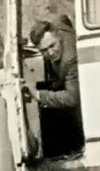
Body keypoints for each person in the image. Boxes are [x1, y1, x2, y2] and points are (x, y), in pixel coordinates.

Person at [27, 18, 83, 157]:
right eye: (44, 50)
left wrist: (39, 95)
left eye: (52, 46)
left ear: (59, 37)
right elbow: (63, 18)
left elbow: (72, 98)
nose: (50, 53)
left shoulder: (70, 59)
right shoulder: (58, 26)